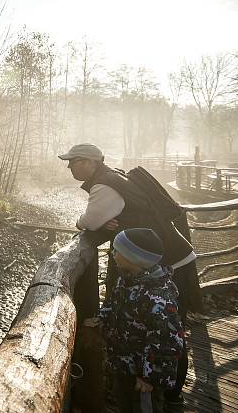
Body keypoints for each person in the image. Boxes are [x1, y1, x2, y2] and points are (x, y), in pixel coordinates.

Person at [59, 143, 198, 406]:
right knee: (164, 323)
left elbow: (89, 221)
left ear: (89, 162)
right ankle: (159, 388)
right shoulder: (113, 175)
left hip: (169, 261)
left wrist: (86, 222)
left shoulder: (103, 184)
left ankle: (168, 394)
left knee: (168, 327)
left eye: (73, 161)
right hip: (171, 256)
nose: (69, 166)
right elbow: (107, 215)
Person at [90, 228, 185, 413]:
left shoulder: (157, 298)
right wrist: (101, 318)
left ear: (134, 259)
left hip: (144, 376)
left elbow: (167, 342)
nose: (113, 253)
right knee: (123, 402)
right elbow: (113, 305)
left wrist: (150, 377)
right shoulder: (126, 280)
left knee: (144, 408)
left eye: (117, 251)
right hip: (124, 365)